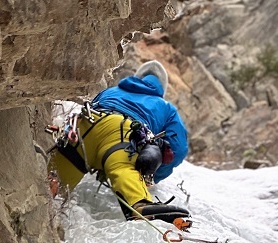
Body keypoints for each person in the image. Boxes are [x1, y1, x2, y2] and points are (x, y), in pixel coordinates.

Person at [49, 61, 191, 224]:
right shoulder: (166, 107)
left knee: (49, 193)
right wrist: (151, 175)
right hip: (122, 134)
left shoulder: (110, 91)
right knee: (124, 168)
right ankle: (140, 204)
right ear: (161, 88)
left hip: (83, 128)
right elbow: (177, 149)